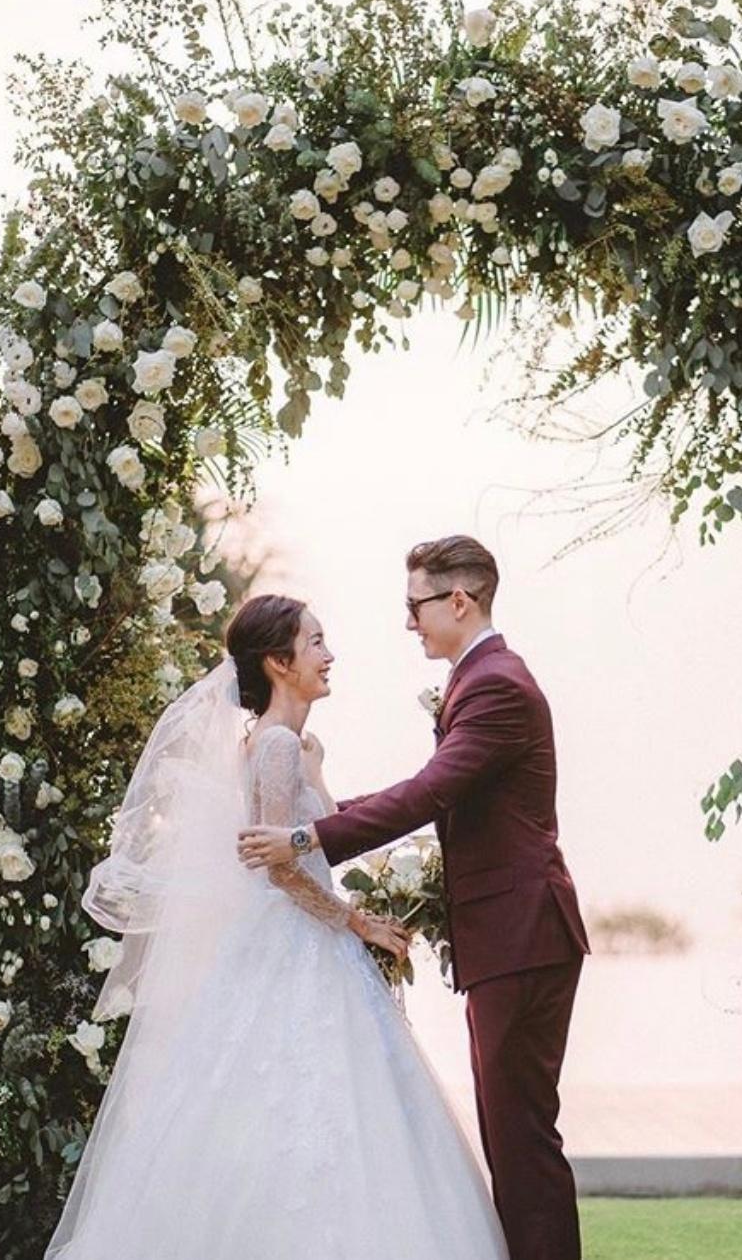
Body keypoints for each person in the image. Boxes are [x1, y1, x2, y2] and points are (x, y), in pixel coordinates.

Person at [44, 593, 508, 1260]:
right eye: (315, 642)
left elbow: (313, 842)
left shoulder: (285, 744)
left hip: (296, 938)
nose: (329, 655)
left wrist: (320, 779)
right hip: (297, 943)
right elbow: (281, 871)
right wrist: (359, 923)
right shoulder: (278, 744)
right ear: (278, 662)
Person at [239, 537, 590, 1260]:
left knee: (521, 1141)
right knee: (511, 1136)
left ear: (457, 601)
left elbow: (431, 791)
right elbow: (437, 793)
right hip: (510, 938)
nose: (409, 623)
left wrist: (306, 837)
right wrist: (316, 823)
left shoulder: (495, 683)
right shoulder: (482, 678)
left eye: (415, 605)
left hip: (522, 934)